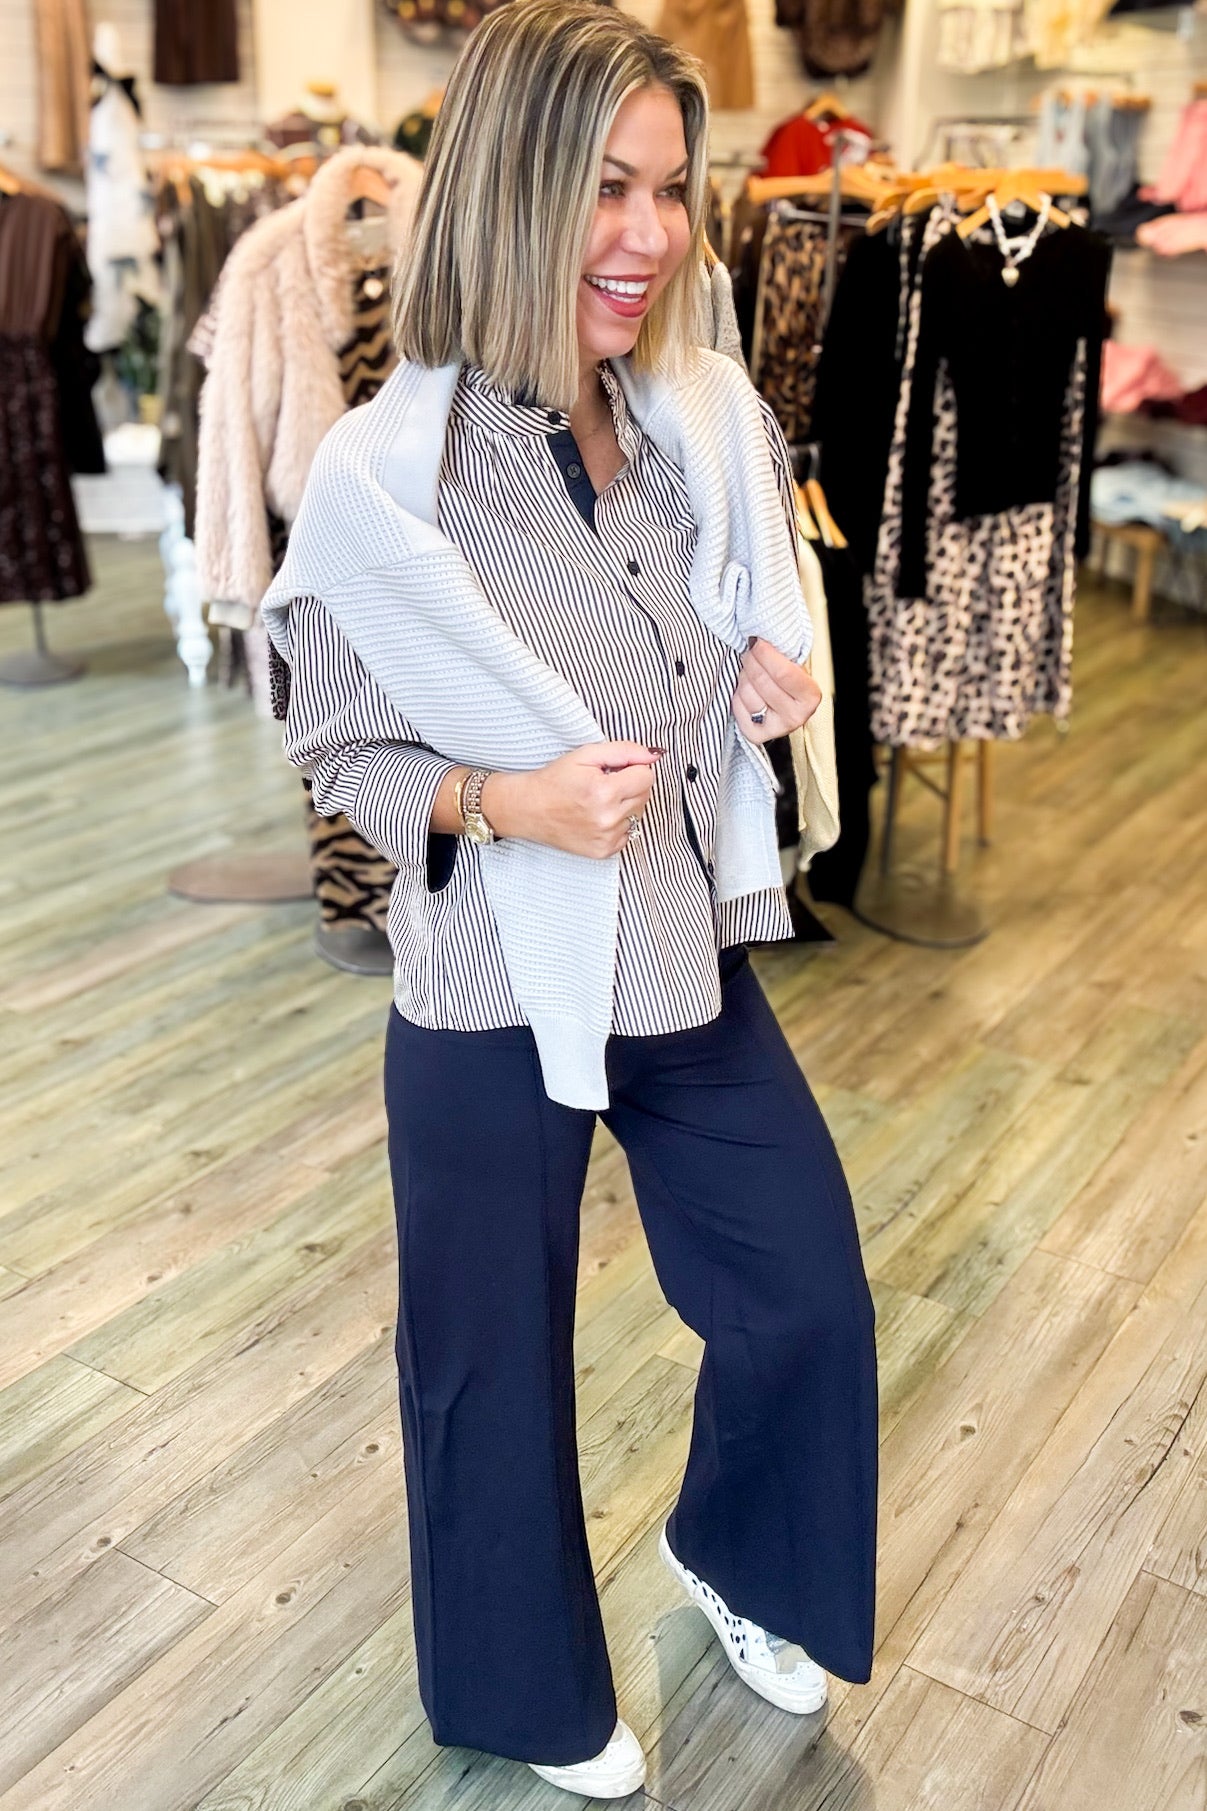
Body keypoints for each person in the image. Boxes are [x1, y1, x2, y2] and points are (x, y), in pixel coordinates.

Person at [261, 0, 878, 1797]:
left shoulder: (691, 418)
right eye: (609, 187)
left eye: (673, 191)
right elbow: (341, 747)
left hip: (675, 948)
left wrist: (757, 674)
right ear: (513, 188)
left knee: (804, 1293)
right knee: (487, 1361)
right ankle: (520, 1693)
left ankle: (738, 1551)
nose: (650, 234)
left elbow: (723, 630)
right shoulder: (391, 480)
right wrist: (500, 801)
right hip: (487, 979)